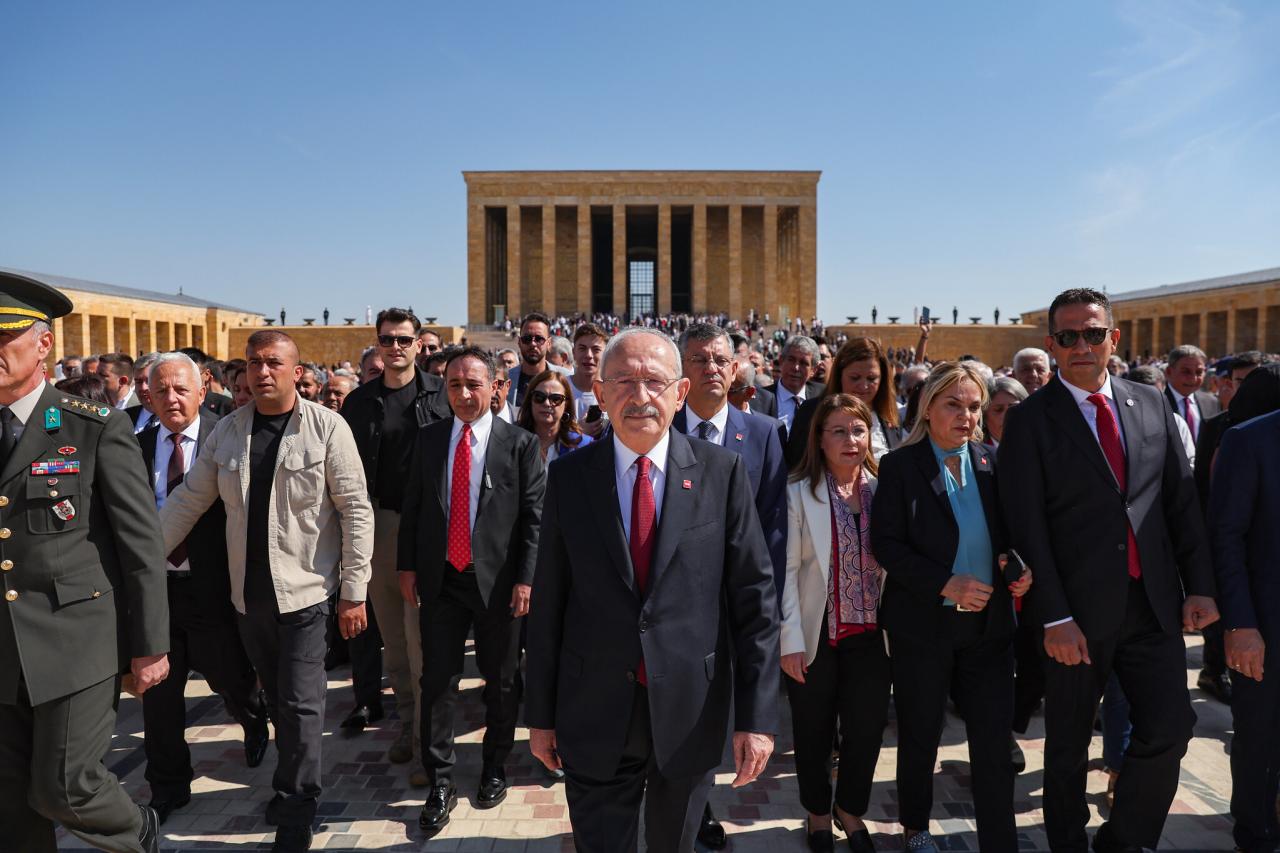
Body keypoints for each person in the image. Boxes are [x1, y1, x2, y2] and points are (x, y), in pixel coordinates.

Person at [526, 328, 780, 853]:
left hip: (689, 710)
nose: (639, 396)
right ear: (599, 391)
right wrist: (541, 716)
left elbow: (754, 601)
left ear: (681, 392)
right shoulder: (570, 479)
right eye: (623, 381)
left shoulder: (721, 473)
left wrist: (756, 719)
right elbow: (549, 603)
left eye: (655, 382)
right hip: (593, 708)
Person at [998, 288, 1218, 853]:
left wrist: (1202, 588)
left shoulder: (1150, 404)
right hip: (1075, 613)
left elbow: (1180, 505)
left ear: (1112, 339)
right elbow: (1027, 529)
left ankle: (1122, 842)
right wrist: (1054, 617)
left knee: (1172, 727)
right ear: (1052, 344)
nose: (1081, 345)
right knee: (1068, 747)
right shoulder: (1029, 420)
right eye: (1068, 336)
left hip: (1152, 604)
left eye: (1092, 333)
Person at [159, 329, 373, 853]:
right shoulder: (228, 432)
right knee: (278, 702)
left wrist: (354, 590)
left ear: (296, 371)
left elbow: (355, 510)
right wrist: (142, 557)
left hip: (305, 595)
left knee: (302, 705)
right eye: (254, 363)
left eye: (274, 362)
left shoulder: (328, 428)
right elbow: (189, 500)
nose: (262, 372)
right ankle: (291, 783)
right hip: (246, 599)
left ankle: (297, 809)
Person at [0, 271, 169, 853]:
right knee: (10, 804)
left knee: (65, 788)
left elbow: (140, 545)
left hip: (76, 641)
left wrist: (149, 645)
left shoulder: (91, 427)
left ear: (42, 344)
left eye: (2, 338)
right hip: (3, 647)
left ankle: (133, 833)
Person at [870, 362, 1032, 853]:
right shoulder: (901, 465)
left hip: (990, 629)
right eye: (953, 405)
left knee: (992, 743)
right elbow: (887, 545)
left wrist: (1018, 571)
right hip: (924, 627)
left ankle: (999, 840)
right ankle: (916, 828)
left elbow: (1009, 536)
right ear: (928, 407)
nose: (966, 415)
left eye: (974, 406)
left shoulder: (992, 460)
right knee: (921, 734)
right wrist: (946, 583)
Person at [397, 346, 545, 833]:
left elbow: (532, 521)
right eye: (454, 385)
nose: (462, 394)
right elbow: (414, 508)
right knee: (436, 682)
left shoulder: (520, 444)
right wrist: (407, 567)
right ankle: (441, 778)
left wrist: (526, 579)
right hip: (442, 581)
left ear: (496, 386)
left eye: (473, 384)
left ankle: (494, 766)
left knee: (500, 681)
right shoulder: (429, 440)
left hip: (498, 585)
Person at [136, 352, 270, 825]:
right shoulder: (133, 442)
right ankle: (169, 786)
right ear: (146, 394)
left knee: (230, 676)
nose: (171, 399)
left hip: (212, 586)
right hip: (155, 589)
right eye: (161, 390)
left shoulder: (229, 434)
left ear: (202, 389)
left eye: (180, 389)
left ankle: (254, 720)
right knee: (160, 693)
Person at [675, 322, 788, 848]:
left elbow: (772, 523)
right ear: (682, 370)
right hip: (675, 601)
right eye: (698, 360)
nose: (712, 369)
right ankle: (689, 813)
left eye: (720, 360)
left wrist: (759, 596)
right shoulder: (659, 424)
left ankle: (699, 806)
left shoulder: (762, 432)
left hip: (736, 597)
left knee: (721, 711)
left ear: (736, 367)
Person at [337, 309, 451, 784]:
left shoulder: (440, 395)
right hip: (377, 524)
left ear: (417, 343)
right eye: (387, 339)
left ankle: (429, 742)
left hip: (426, 525)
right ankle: (407, 721)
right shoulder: (360, 402)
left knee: (422, 637)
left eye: (405, 339)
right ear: (378, 342)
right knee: (393, 638)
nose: (396, 347)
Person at [781, 394, 890, 853]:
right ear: (820, 440)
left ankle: (850, 810)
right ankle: (818, 814)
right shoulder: (798, 492)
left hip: (873, 635)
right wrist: (788, 640)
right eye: (839, 431)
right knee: (813, 729)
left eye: (859, 430)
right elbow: (786, 572)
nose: (851, 440)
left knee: (866, 730)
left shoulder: (886, 489)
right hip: (815, 632)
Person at [1210, 394, 1280, 853]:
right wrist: (1239, 624)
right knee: (1259, 736)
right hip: (1266, 628)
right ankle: (1255, 834)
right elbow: (1226, 539)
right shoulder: (1248, 440)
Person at [788, 337, 904, 467]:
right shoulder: (811, 412)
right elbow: (795, 467)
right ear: (839, 375)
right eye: (855, 378)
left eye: (871, 379)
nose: (863, 386)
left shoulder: (891, 417)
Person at [516, 369, 593, 465]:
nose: (547, 403)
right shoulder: (512, 440)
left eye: (556, 399)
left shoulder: (584, 445)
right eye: (539, 396)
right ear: (530, 400)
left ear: (566, 404)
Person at [764, 335, 825, 432]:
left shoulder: (823, 396)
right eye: (791, 360)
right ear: (781, 361)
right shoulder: (761, 398)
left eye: (804, 363)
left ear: (814, 370)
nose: (796, 368)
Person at [509, 312, 570, 408]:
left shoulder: (566, 378)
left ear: (549, 343)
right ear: (519, 342)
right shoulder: (507, 379)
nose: (533, 344)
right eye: (527, 338)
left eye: (539, 339)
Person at [1163, 344, 1220, 443]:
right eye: (1186, 372)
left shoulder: (1212, 402)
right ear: (1169, 372)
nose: (1193, 378)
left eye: (1199, 372)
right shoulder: (1156, 404)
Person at [569, 322, 609, 439]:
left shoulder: (615, 392)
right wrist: (577, 431)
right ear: (574, 353)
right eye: (582, 349)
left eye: (596, 349)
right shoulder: (560, 389)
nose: (588, 355)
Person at [983, 376, 1027, 448]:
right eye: (998, 409)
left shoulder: (1044, 447)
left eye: (1014, 408)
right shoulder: (974, 455)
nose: (1007, 415)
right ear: (984, 417)